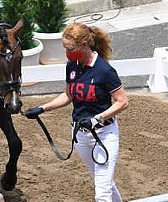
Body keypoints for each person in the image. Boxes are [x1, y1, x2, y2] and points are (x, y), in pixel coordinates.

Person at [24, 22, 128, 202]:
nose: (67, 53)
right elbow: (68, 95)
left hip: (103, 135)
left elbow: (123, 102)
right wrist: (42, 108)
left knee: (102, 193)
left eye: (70, 49)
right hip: (80, 135)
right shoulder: (72, 67)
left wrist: (97, 119)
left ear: (84, 45)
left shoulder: (104, 70)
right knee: (103, 182)